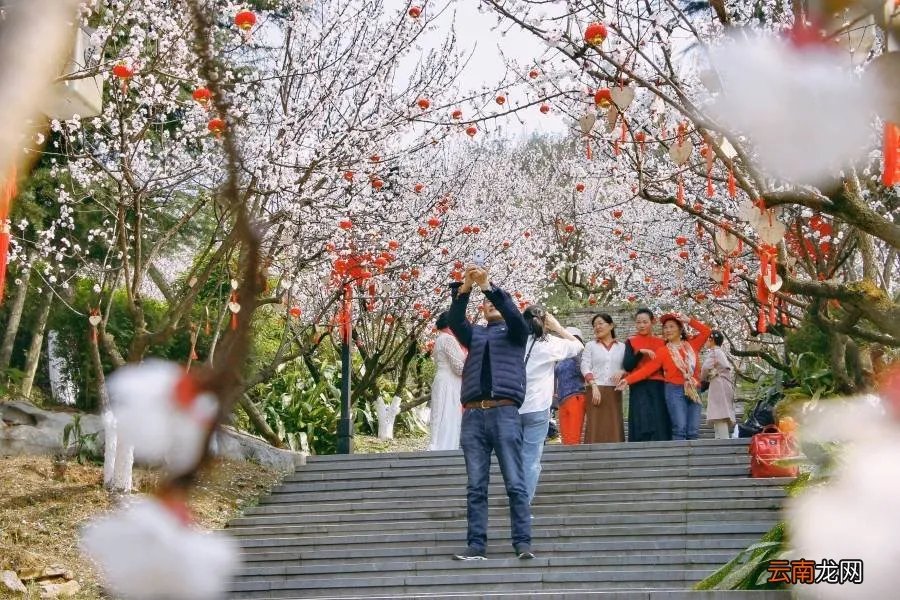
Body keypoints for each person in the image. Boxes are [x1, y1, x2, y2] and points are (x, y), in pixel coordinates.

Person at [446, 266, 534, 561]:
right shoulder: (475, 335)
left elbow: (513, 313)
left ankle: (522, 543)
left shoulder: (516, 332)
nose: (491, 305)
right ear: (481, 309)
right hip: (473, 416)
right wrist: (466, 289)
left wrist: (488, 286)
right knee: (475, 485)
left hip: (504, 413)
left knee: (515, 482)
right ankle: (476, 545)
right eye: (487, 303)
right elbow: (455, 320)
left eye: (493, 301)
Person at [520, 306, 583, 503]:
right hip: (537, 408)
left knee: (513, 457)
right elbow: (578, 347)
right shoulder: (549, 343)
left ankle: (514, 493)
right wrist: (558, 328)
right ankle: (522, 504)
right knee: (530, 459)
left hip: (511, 406)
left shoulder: (513, 341)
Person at [617, 313, 712, 440]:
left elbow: (707, 332)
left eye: (672, 327)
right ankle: (678, 457)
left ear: (680, 329)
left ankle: (691, 459)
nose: (668, 330)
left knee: (693, 430)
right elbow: (647, 370)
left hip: (694, 389)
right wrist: (627, 380)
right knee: (680, 428)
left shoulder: (692, 345)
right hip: (674, 390)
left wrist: (689, 320)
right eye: (665, 328)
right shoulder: (663, 351)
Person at [621, 308, 671, 442]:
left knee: (658, 416)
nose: (641, 325)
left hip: (658, 384)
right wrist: (640, 353)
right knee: (640, 417)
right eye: (638, 322)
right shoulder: (631, 341)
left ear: (652, 322)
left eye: (645, 322)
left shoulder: (662, 342)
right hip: (638, 384)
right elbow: (628, 365)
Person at [580, 313, 626, 443]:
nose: (597, 327)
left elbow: (628, 367)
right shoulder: (590, 345)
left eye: (600, 323)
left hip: (614, 392)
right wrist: (593, 385)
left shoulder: (622, 347)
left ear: (611, 325)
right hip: (595, 390)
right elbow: (585, 366)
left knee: (614, 426)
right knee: (595, 426)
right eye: (594, 325)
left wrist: (622, 372)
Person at [428, 312, 466, 451]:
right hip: (450, 382)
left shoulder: (440, 338)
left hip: (444, 379)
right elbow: (458, 368)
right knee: (448, 415)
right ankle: (445, 447)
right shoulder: (449, 339)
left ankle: (437, 445)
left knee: (440, 413)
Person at [554, 327, 586, 446]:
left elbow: (583, 371)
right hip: (562, 400)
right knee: (565, 437)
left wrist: (576, 353)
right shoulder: (561, 358)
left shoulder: (581, 355)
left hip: (575, 396)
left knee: (573, 436)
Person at [701, 330, 736, 439]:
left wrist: (703, 379)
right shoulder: (720, 352)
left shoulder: (714, 352)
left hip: (718, 384)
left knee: (719, 413)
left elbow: (705, 368)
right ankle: (719, 437)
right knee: (720, 412)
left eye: (707, 339)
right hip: (723, 383)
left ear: (712, 340)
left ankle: (722, 439)